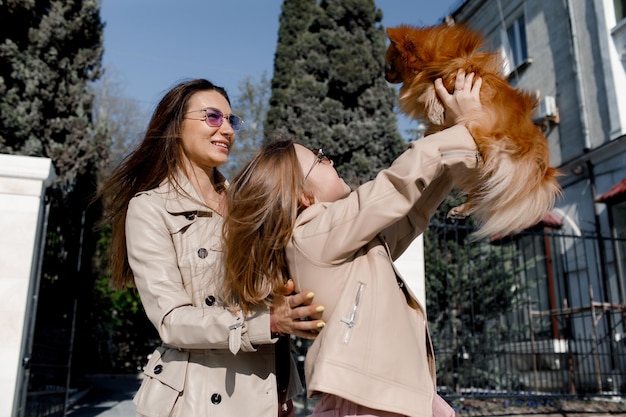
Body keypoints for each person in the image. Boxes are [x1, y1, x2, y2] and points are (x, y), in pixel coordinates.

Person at [222, 70, 483, 417]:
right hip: (367, 403)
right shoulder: (311, 235)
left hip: (383, 394)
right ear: (303, 196)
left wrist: (452, 138)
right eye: (320, 158)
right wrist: (465, 127)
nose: (331, 160)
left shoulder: (340, 240)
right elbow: (393, 189)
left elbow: (410, 210)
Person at [98, 78, 325, 417]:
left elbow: (273, 295)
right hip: (196, 398)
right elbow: (173, 321)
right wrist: (269, 323)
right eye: (213, 117)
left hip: (264, 393)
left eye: (231, 120)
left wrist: (282, 386)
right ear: (176, 126)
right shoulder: (150, 208)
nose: (228, 130)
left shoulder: (248, 203)